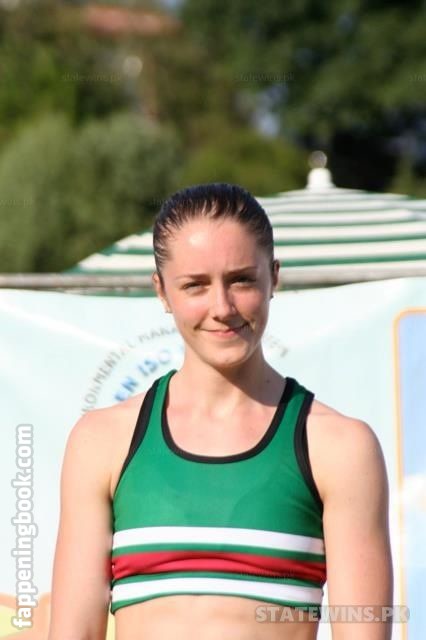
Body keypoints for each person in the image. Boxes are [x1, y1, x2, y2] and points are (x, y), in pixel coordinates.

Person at [48, 183, 393, 640]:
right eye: (195, 285)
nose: (222, 308)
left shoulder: (340, 448)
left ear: (274, 278)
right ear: (162, 291)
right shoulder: (101, 442)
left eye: (241, 280)